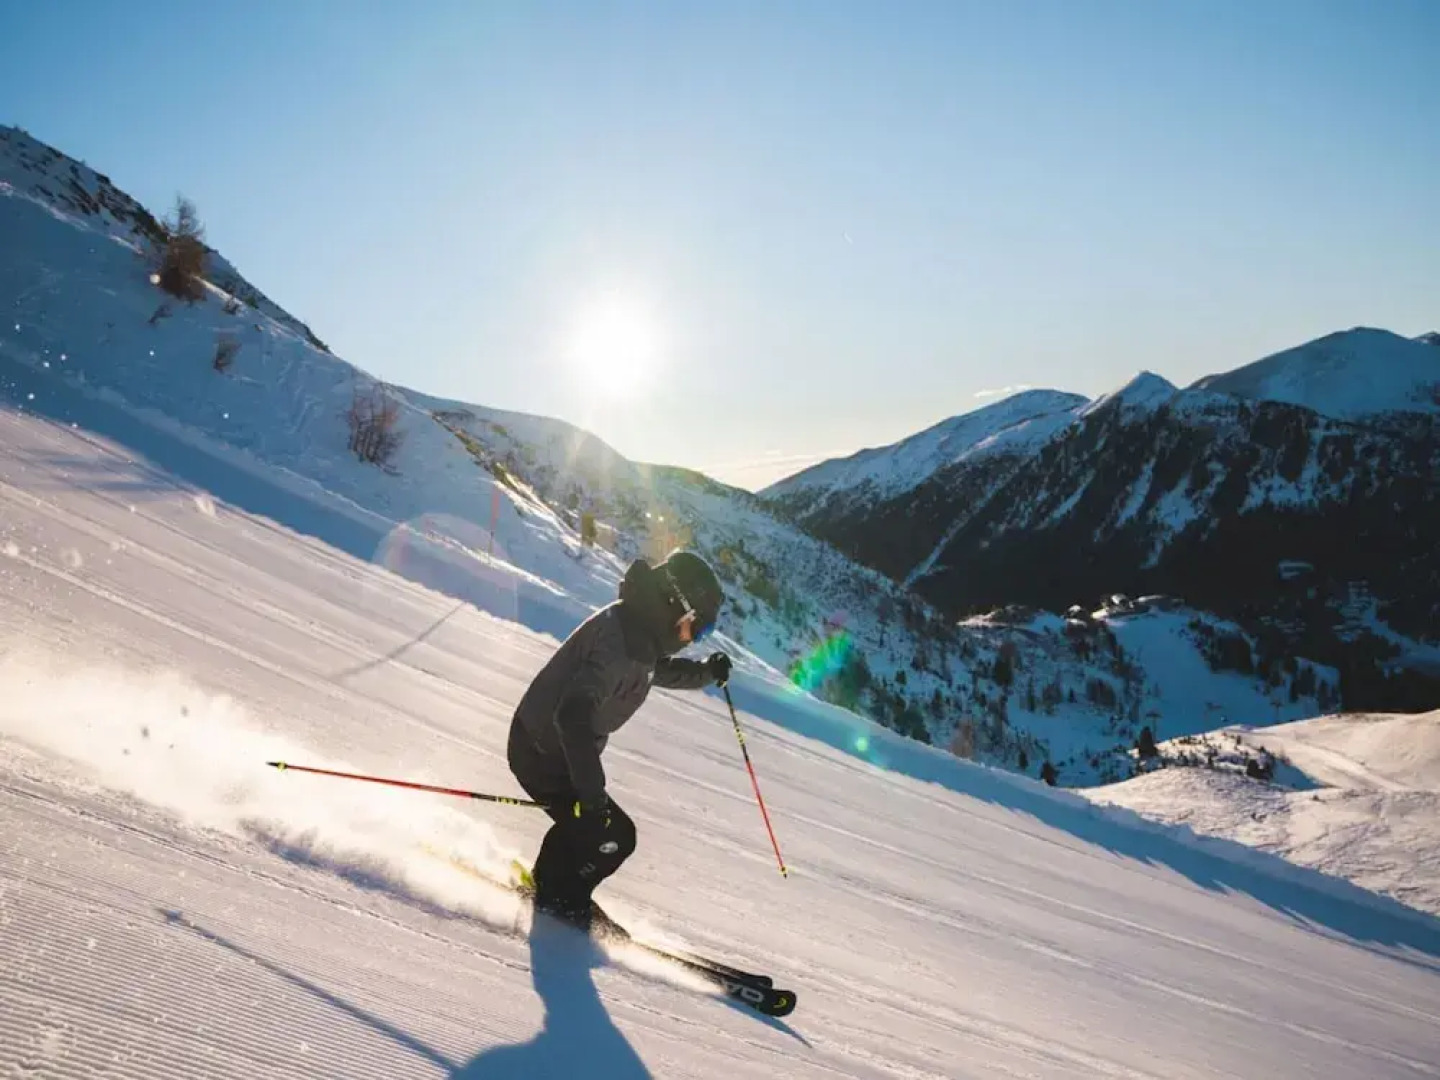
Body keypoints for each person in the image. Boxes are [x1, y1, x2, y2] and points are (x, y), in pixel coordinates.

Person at [507, 549, 732, 933]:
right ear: (675, 606)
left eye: (705, 634)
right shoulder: (620, 644)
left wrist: (706, 673)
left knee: (599, 828)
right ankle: (558, 895)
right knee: (611, 833)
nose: (694, 639)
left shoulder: (640, 634)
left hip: (557, 750)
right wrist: (591, 796)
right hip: (542, 750)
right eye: (698, 628)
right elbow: (572, 717)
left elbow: (657, 671)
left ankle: (556, 887)